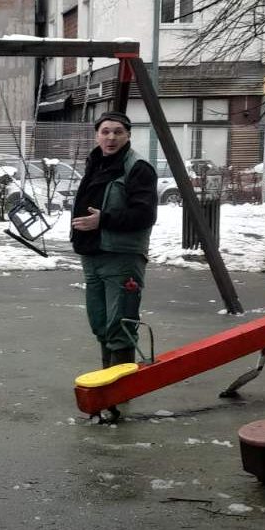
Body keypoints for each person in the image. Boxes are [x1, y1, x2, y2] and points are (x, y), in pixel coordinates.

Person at [70, 111, 158, 374]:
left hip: (121, 257)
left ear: (128, 135)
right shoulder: (96, 162)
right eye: (105, 131)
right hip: (93, 253)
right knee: (100, 322)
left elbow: (145, 215)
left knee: (120, 324)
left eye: (118, 132)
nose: (111, 137)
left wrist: (103, 220)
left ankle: (120, 393)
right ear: (97, 135)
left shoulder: (137, 167)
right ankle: (108, 383)